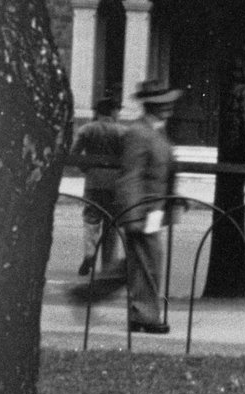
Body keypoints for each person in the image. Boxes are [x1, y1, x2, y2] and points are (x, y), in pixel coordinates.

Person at [116, 79, 182, 334]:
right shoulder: (138, 132)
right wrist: (132, 214)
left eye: (168, 102)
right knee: (148, 263)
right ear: (149, 105)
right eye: (161, 104)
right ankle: (145, 316)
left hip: (155, 210)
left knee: (145, 262)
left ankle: (138, 312)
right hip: (143, 210)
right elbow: (131, 175)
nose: (167, 107)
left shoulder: (157, 130)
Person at [70, 98, 125, 280]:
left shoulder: (86, 129)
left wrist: (87, 169)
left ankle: (89, 253)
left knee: (91, 219)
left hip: (93, 181)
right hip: (115, 183)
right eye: (117, 109)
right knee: (112, 223)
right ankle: (108, 264)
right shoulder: (123, 131)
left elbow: (75, 154)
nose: (119, 113)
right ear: (112, 111)